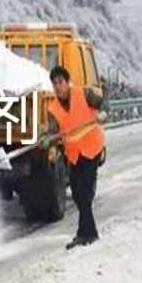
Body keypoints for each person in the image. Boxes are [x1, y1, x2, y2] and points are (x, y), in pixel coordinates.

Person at [44, 66, 107, 250]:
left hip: (91, 147)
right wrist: (47, 140)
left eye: (60, 82)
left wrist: (103, 112)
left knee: (84, 192)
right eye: (54, 83)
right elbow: (53, 131)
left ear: (67, 82)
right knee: (78, 194)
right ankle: (90, 232)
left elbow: (104, 101)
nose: (58, 87)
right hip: (74, 154)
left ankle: (84, 234)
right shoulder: (53, 108)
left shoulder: (83, 94)